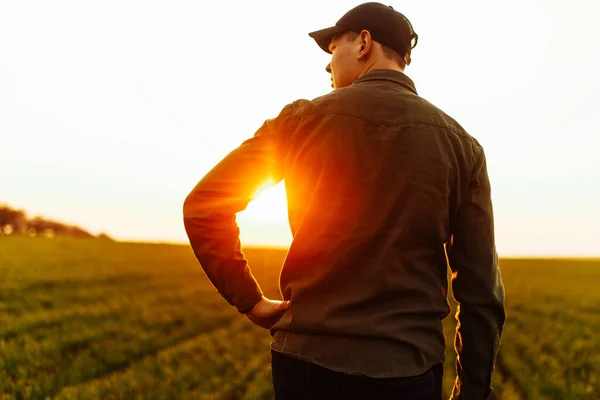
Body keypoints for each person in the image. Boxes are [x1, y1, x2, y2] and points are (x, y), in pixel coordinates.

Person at [183, 2, 506, 399]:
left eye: (333, 48)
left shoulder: (300, 120)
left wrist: (250, 300)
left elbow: (205, 204)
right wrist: (473, 390)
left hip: (306, 366)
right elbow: (480, 289)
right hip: (405, 372)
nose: (327, 66)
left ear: (364, 43)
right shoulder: (462, 146)